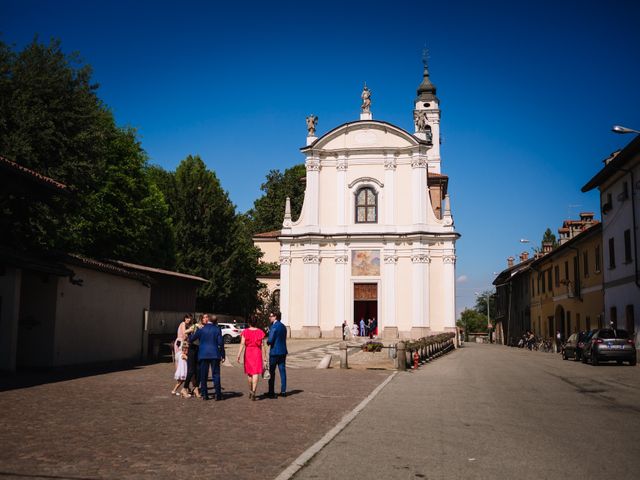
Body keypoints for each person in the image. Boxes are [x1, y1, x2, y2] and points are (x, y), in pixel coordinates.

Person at [189, 314, 225, 401]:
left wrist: (190, 333)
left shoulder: (201, 329)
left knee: (203, 375)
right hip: (215, 354)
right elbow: (220, 343)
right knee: (216, 375)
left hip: (203, 354)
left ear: (208, 320)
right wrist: (223, 355)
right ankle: (218, 395)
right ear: (215, 321)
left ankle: (205, 395)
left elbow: (191, 339)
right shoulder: (217, 329)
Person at [236, 316, 267, 401]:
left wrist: (238, 355)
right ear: (256, 322)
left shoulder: (245, 332)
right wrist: (265, 358)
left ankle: (250, 390)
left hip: (248, 352)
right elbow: (262, 346)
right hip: (257, 352)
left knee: (250, 373)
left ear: (249, 322)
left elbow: (242, 344)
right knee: (256, 373)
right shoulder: (260, 332)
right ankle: (254, 391)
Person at [267, 311, 288, 398]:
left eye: (271, 316)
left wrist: (268, 342)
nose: (269, 318)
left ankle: (271, 392)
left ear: (275, 317)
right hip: (283, 351)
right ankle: (283, 391)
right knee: (282, 371)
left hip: (275, 352)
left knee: (272, 372)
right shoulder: (283, 326)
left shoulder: (274, 326)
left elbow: (270, 340)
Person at [181, 315, 201, 398]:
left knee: (198, 370)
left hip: (199, 349)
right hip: (192, 348)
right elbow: (185, 332)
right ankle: (184, 388)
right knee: (191, 370)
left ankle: (196, 388)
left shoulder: (204, 327)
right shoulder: (195, 326)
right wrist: (191, 335)